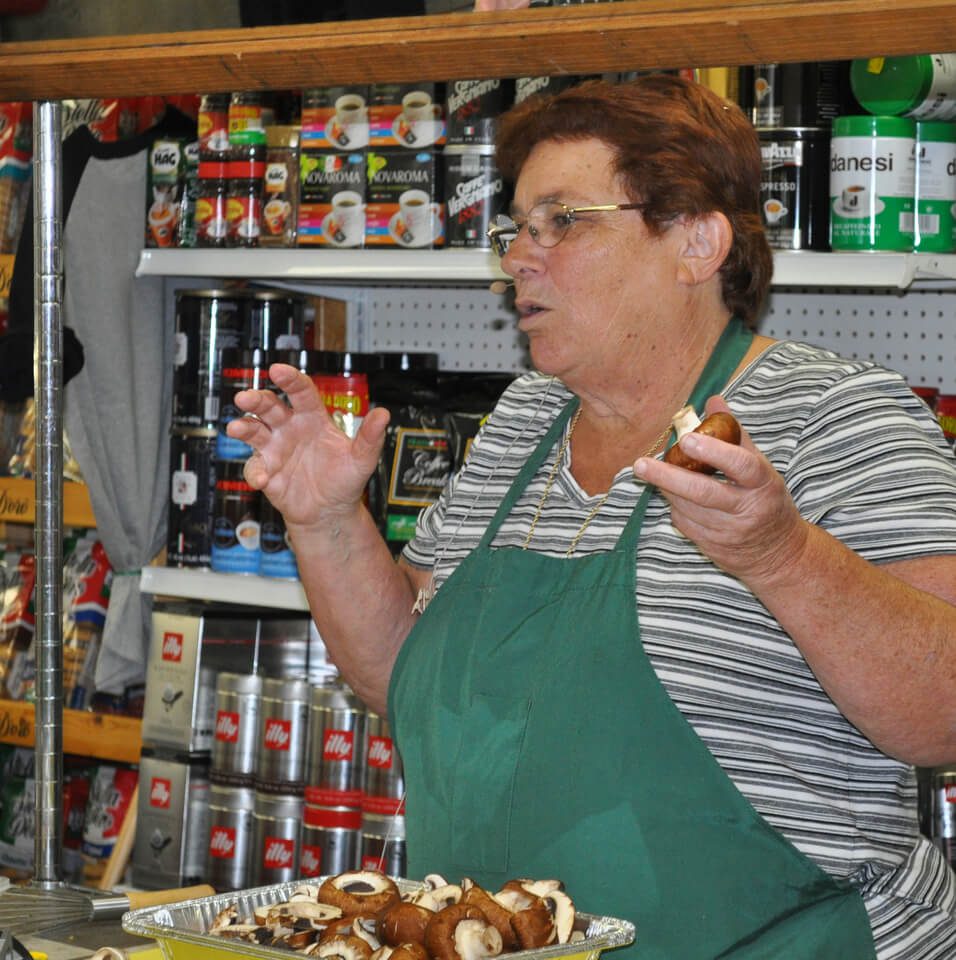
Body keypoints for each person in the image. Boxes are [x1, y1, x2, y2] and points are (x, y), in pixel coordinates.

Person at [228, 75, 956, 959]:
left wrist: (782, 555)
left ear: (697, 242)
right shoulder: (522, 424)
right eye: (515, 229)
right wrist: (327, 521)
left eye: (562, 221)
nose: (517, 259)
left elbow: (942, 713)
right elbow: (396, 677)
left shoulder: (841, 417)